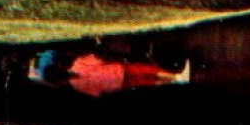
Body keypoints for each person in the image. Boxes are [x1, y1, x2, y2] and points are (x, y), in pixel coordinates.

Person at [26, 47, 190, 98]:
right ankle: (178, 76)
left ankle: (175, 81)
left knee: (146, 82)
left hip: (116, 85)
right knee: (148, 71)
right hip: (118, 70)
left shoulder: (77, 87)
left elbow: (97, 93)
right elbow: (98, 60)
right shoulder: (78, 64)